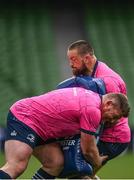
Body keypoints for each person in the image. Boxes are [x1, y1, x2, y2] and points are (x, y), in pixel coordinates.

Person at [0, 88, 130, 179]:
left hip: (43, 128)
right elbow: (88, 150)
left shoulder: (91, 97)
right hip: (25, 117)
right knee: (16, 166)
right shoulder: (93, 110)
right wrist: (97, 162)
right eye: (114, 116)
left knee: (55, 163)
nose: (112, 121)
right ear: (108, 104)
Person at [58, 40, 131, 178]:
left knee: (76, 173)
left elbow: (113, 118)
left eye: (73, 59)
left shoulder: (108, 81)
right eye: (69, 60)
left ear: (87, 58)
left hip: (112, 138)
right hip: (102, 134)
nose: (70, 64)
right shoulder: (85, 75)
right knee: (80, 174)